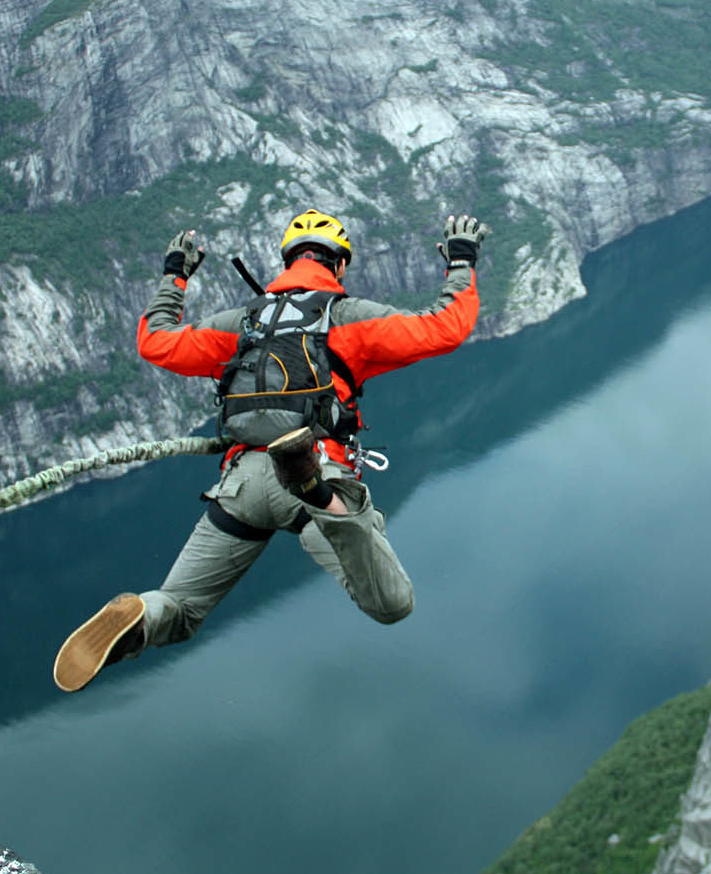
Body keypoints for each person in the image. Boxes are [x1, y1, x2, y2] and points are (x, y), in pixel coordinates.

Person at [52, 208, 490, 691]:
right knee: (392, 603)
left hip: (240, 486)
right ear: (339, 266)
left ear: (286, 261)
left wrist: (174, 277)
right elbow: (444, 327)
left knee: (179, 608)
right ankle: (314, 489)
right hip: (314, 477)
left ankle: (139, 621)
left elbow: (156, 342)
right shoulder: (348, 319)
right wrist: (461, 262)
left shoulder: (242, 324)